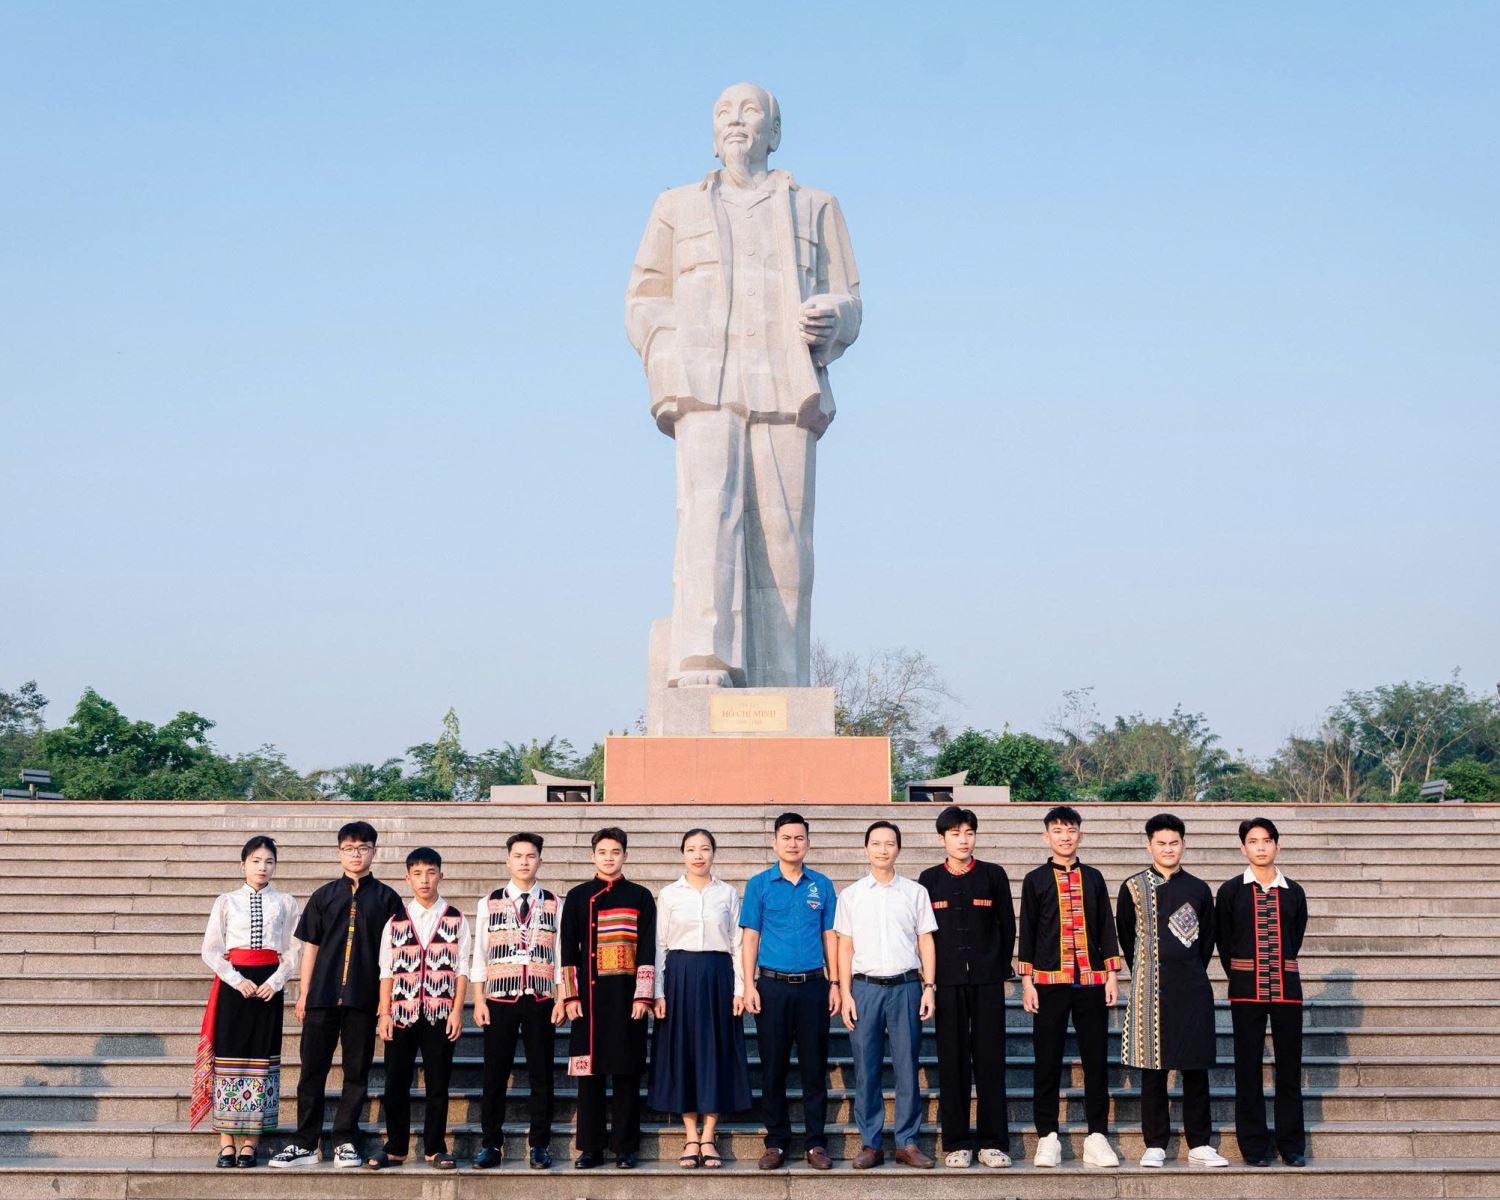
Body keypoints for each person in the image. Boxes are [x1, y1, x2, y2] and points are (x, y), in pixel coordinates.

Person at [625, 82, 861, 689]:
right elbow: (644, 300)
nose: (737, 120)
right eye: (724, 113)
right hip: (706, 383)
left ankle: (784, 677)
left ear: (774, 133)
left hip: (786, 384)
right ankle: (703, 659)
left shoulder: (816, 207)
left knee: (785, 538)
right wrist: (671, 358)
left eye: (751, 111)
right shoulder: (675, 207)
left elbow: (850, 300)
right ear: (713, 134)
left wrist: (833, 319)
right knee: (708, 515)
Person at [269, 821, 404, 1170]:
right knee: (311, 1072)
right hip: (322, 997)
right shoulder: (324, 895)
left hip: (364, 998)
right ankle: (305, 1142)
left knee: (356, 1073)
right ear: (339, 852)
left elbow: (394, 955)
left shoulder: (388, 899)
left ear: (374, 852)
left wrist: (385, 1004)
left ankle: (345, 1139)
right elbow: (310, 947)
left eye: (363, 848)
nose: (356, 854)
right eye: (349, 849)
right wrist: (304, 993)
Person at [1117, 813, 1227, 1169]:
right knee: (1153, 1070)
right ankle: (1155, 1143)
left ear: (1184, 844)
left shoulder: (1198, 889)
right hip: (1150, 988)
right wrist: (1148, 970)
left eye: (1174, 843)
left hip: (1192, 987)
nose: (1168, 849)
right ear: (1149, 845)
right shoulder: (1133, 887)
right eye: (1161, 843)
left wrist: (1187, 968)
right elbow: (1126, 936)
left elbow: (1207, 940)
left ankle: (1200, 1143)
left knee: (1196, 1068)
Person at [1017, 805, 1122, 1169]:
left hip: (1091, 982)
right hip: (1048, 983)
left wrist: (1111, 974)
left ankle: (1097, 1136)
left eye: (1071, 830)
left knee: (1096, 1061)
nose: (1065, 837)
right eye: (1058, 831)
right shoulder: (1035, 879)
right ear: (1046, 836)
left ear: (1081, 834)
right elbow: (1028, 930)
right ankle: (1047, 1137)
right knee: (1047, 1061)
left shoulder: (1094, 877)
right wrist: (1027, 981)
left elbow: (1106, 925)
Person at [834, 819, 938, 1170]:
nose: (883, 849)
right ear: (866, 849)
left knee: (907, 1066)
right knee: (866, 1067)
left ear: (898, 849)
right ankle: (871, 1143)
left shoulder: (915, 892)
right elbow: (844, 946)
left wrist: (929, 987)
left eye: (889, 843)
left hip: (906, 987)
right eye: (876, 843)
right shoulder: (851, 895)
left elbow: (925, 940)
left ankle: (908, 1142)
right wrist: (846, 992)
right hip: (864, 988)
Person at [192, 835, 301, 1168]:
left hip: (268, 987)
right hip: (233, 986)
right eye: (255, 861)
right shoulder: (226, 901)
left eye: (269, 861)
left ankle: (252, 1142)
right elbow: (211, 949)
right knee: (229, 1056)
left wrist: (275, 982)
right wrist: (236, 979)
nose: (262, 867)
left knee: (260, 1058)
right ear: (243, 865)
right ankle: (226, 1142)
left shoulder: (286, 902)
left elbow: (294, 949)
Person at [739, 811, 840, 1170]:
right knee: (773, 1068)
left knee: (814, 1067)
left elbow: (830, 935)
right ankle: (776, 1142)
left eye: (799, 838)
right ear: (774, 842)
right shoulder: (759, 884)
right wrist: (748, 984)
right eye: (786, 838)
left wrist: (835, 983)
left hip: (814, 986)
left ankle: (815, 1143)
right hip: (772, 987)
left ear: (808, 842)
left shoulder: (822, 885)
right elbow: (751, 937)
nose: (793, 844)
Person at [917, 806, 1016, 1169]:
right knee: (952, 1060)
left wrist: (995, 968)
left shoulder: (993, 875)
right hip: (946, 983)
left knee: (991, 1060)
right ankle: (956, 1142)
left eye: (969, 833)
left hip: (987, 982)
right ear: (942, 838)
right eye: (955, 834)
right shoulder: (928, 880)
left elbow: (1007, 926)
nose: (963, 840)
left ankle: (993, 1142)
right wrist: (929, 981)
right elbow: (923, 934)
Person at [648, 828, 751, 1169]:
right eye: (691, 849)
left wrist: (740, 989)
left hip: (719, 976)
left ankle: (709, 1136)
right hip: (679, 977)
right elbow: (660, 945)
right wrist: (658, 992)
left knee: (716, 1050)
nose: (698, 855)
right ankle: (690, 1135)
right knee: (684, 1051)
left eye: (704, 848)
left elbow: (737, 943)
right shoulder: (669, 894)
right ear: (682, 854)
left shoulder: (728, 893)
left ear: (713, 853)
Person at [366, 848, 471, 1170]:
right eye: (417, 874)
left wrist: (457, 1011)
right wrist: (385, 1013)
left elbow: (462, 970)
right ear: (407, 878)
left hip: (440, 1012)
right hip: (402, 1012)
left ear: (441, 875)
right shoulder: (395, 922)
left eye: (430, 873)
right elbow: (386, 971)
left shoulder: (456, 918)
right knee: (396, 1081)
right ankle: (395, 1148)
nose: (424, 880)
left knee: (438, 1083)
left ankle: (435, 1148)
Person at [558, 827, 656, 1169]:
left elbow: (648, 948)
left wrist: (643, 995)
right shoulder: (577, 896)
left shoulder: (640, 896)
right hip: (588, 999)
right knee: (590, 1078)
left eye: (615, 852)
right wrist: (570, 995)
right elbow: (568, 948)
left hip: (627, 998)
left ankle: (625, 1148)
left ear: (625, 856)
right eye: (602, 852)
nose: (609, 857)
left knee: (627, 1074)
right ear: (592, 856)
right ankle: (591, 1147)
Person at [1216, 817, 1309, 1167]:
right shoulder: (1231, 891)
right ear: (1243, 848)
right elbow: (1224, 940)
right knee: (1248, 1069)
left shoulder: (1294, 891)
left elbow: (1295, 936)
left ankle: (1291, 1145)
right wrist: (1242, 973)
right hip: (1245, 990)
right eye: (1253, 841)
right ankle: (1254, 1146)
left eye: (1267, 840)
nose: (1260, 847)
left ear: (1277, 846)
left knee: (1289, 1069)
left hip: (1287, 990)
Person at [470, 832, 564, 1172]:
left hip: (541, 997)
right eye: (519, 856)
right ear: (508, 860)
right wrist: (478, 1000)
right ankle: (491, 1144)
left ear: (540, 860)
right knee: (495, 1074)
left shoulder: (554, 902)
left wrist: (561, 998)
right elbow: (480, 953)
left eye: (531, 856)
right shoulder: (489, 902)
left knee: (542, 1074)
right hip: (500, 997)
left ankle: (540, 1145)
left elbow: (560, 954)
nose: (525, 862)